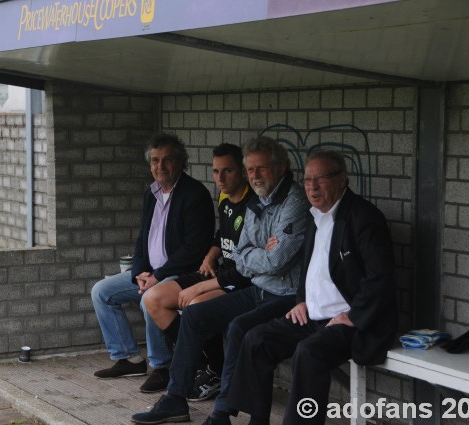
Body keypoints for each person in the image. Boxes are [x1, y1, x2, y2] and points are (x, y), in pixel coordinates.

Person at [131, 136, 309, 425]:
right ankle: (176, 398)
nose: (255, 175)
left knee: (238, 328)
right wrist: (258, 253)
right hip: (258, 287)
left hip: (285, 295)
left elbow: (276, 262)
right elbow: (241, 255)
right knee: (193, 315)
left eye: (260, 169)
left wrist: (256, 255)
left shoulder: (295, 201)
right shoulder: (258, 200)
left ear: (280, 167)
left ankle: (221, 413)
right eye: (251, 170)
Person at [226, 150, 397, 425]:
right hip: (313, 315)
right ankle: (257, 420)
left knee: (308, 352)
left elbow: (380, 278)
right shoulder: (315, 215)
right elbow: (309, 269)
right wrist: (301, 300)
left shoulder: (364, 217)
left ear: (342, 179)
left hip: (352, 322)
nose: (312, 187)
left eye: (321, 179)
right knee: (256, 339)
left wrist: (353, 316)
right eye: (307, 180)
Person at [90, 133, 215, 393]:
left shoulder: (195, 194)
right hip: (153, 273)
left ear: (180, 161)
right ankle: (129, 359)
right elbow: (142, 239)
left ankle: (163, 367)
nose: (161, 166)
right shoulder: (152, 193)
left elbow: (194, 249)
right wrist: (139, 273)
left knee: (151, 298)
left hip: (182, 275)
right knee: (101, 291)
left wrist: (157, 276)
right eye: (155, 161)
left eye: (167, 160)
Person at [143, 143, 255, 402]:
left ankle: (214, 369)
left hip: (240, 281)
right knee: (153, 299)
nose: (220, 178)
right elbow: (222, 236)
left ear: (242, 171)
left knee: (195, 305)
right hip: (218, 271)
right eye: (216, 172)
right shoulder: (224, 197)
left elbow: (247, 268)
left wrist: (205, 284)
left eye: (227, 171)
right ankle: (202, 365)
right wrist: (211, 254)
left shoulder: (254, 204)